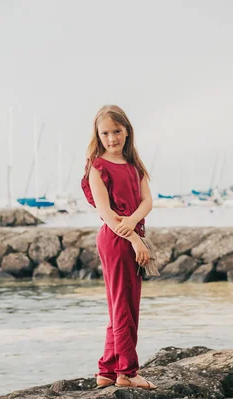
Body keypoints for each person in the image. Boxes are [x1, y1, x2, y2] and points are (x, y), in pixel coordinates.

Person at [80, 105, 157, 390]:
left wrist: (135, 223)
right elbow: (106, 212)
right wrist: (135, 238)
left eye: (117, 131)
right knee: (124, 307)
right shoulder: (97, 167)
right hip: (115, 239)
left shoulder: (135, 165)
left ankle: (107, 370)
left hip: (130, 233)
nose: (112, 138)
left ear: (127, 131)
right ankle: (127, 372)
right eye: (105, 133)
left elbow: (147, 201)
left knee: (120, 307)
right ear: (97, 135)